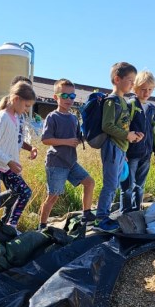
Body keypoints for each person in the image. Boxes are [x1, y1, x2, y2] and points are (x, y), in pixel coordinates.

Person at [0, 81, 38, 229]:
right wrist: (9, 161)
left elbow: (14, 140)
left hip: (5, 165)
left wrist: (30, 148)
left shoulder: (16, 118)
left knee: (24, 192)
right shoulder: (2, 118)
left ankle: (11, 225)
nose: (26, 110)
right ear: (16, 99)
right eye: (26, 106)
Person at [37, 79, 95, 230]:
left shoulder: (73, 118)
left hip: (71, 162)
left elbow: (78, 138)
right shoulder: (52, 117)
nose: (68, 99)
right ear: (56, 97)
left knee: (89, 183)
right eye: (64, 95)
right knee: (53, 196)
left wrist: (91, 132)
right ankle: (42, 225)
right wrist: (66, 141)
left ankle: (86, 213)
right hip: (56, 163)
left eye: (72, 96)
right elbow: (45, 139)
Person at [95, 62, 143, 232]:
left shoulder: (123, 101)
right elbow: (107, 126)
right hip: (112, 147)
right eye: (130, 80)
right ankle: (101, 218)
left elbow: (121, 126)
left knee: (115, 183)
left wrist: (133, 135)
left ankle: (104, 215)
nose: (132, 84)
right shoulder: (112, 101)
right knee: (110, 184)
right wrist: (127, 135)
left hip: (121, 149)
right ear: (117, 79)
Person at [120, 70, 155, 213]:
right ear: (135, 89)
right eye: (143, 89)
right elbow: (123, 129)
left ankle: (137, 210)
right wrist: (123, 151)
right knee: (128, 185)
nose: (146, 92)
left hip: (146, 153)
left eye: (150, 89)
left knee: (140, 185)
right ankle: (126, 211)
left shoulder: (151, 109)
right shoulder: (130, 105)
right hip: (131, 153)